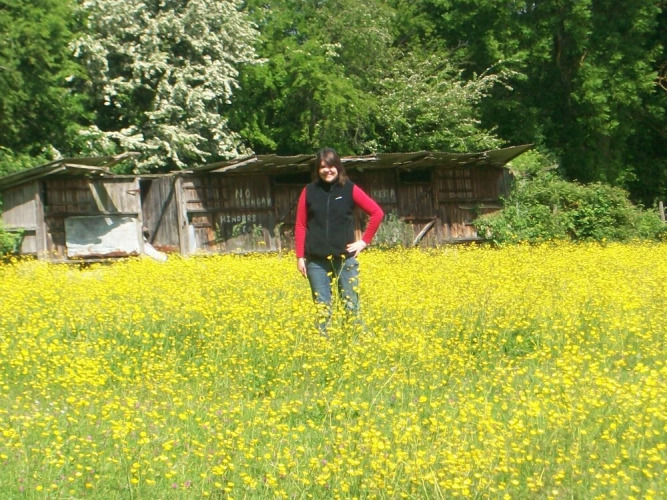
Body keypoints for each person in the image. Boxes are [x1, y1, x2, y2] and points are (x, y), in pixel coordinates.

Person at [294, 148, 384, 334]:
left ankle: (354, 343)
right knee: (322, 309)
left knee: (351, 306)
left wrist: (363, 242)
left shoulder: (349, 189)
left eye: (331, 166)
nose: (327, 170)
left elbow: (377, 213)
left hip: (345, 259)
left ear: (338, 167)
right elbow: (301, 225)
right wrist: (300, 256)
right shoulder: (309, 191)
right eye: (322, 167)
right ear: (317, 170)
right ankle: (323, 345)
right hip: (316, 261)